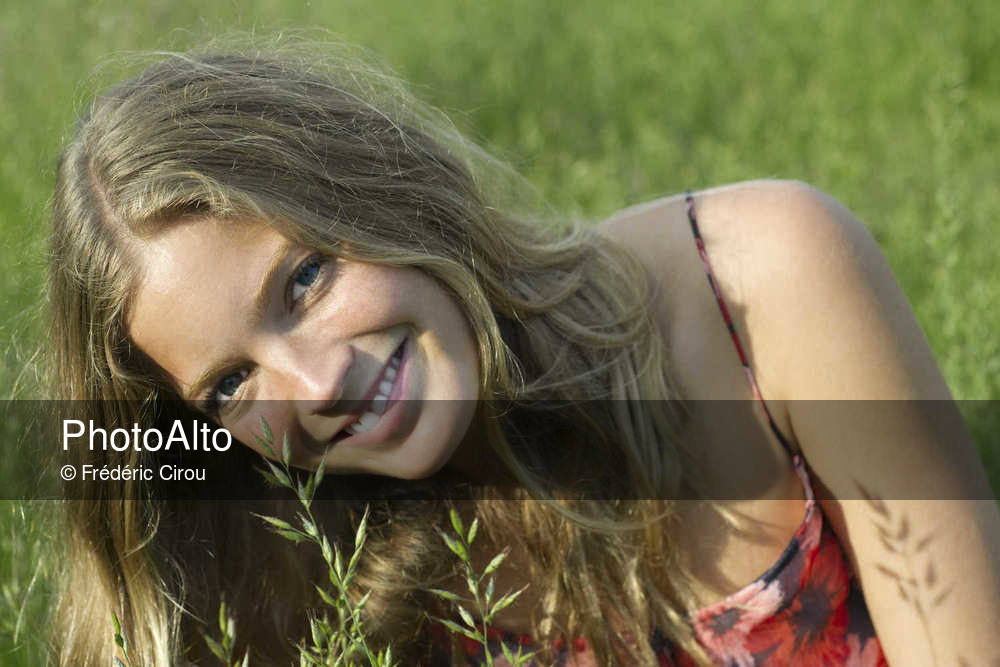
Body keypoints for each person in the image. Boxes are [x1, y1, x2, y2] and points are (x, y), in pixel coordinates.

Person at [46, 39, 1000, 666]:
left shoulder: (758, 284)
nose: (318, 383)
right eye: (229, 383)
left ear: (383, 188)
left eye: (305, 280)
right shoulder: (299, 580)